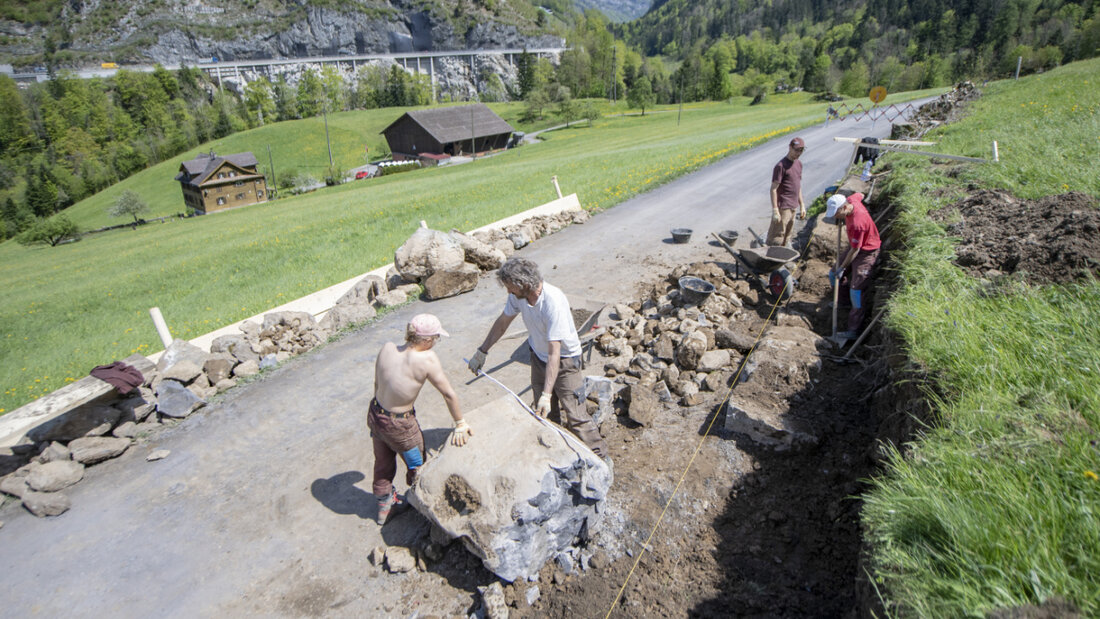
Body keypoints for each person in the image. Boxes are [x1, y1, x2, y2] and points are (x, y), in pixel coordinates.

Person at [467, 257, 608, 460]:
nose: (508, 292)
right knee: (545, 415)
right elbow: (502, 323)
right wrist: (482, 351)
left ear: (524, 283)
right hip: (538, 356)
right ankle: (559, 456)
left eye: (510, 287)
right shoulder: (518, 296)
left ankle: (601, 459)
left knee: (576, 415)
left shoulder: (553, 301)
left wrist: (547, 393)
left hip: (565, 360)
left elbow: (555, 353)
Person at [369, 313, 471, 524]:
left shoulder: (387, 348)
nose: (435, 342)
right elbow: (449, 394)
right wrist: (460, 423)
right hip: (401, 425)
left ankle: (384, 505)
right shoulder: (427, 359)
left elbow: (377, 383)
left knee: (383, 461)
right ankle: (423, 504)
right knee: (418, 464)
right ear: (426, 340)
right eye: (435, 338)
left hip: (376, 415)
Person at [826, 192, 881, 338]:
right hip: (854, 247)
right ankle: (843, 302)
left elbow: (855, 251)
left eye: (836, 213)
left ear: (844, 208)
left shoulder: (858, 223)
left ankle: (853, 330)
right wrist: (867, 198)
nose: (835, 217)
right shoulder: (851, 200)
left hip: (867, 251)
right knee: (833, 274)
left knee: (856, 291)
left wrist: (843, 267)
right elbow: (860, 194)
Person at [767, 137, 807, 247]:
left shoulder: (799, 164)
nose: (798, 153)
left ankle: (781, 261)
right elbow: (773, 189)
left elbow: (797, 186)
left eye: (801, 150)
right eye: (796, 150)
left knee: (787, 237)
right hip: (783, 207)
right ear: (790, 147)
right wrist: (775, 210)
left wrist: (802, 205)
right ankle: (770, 260)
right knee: (776, 237)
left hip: (794, 207)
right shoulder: (781, 166)